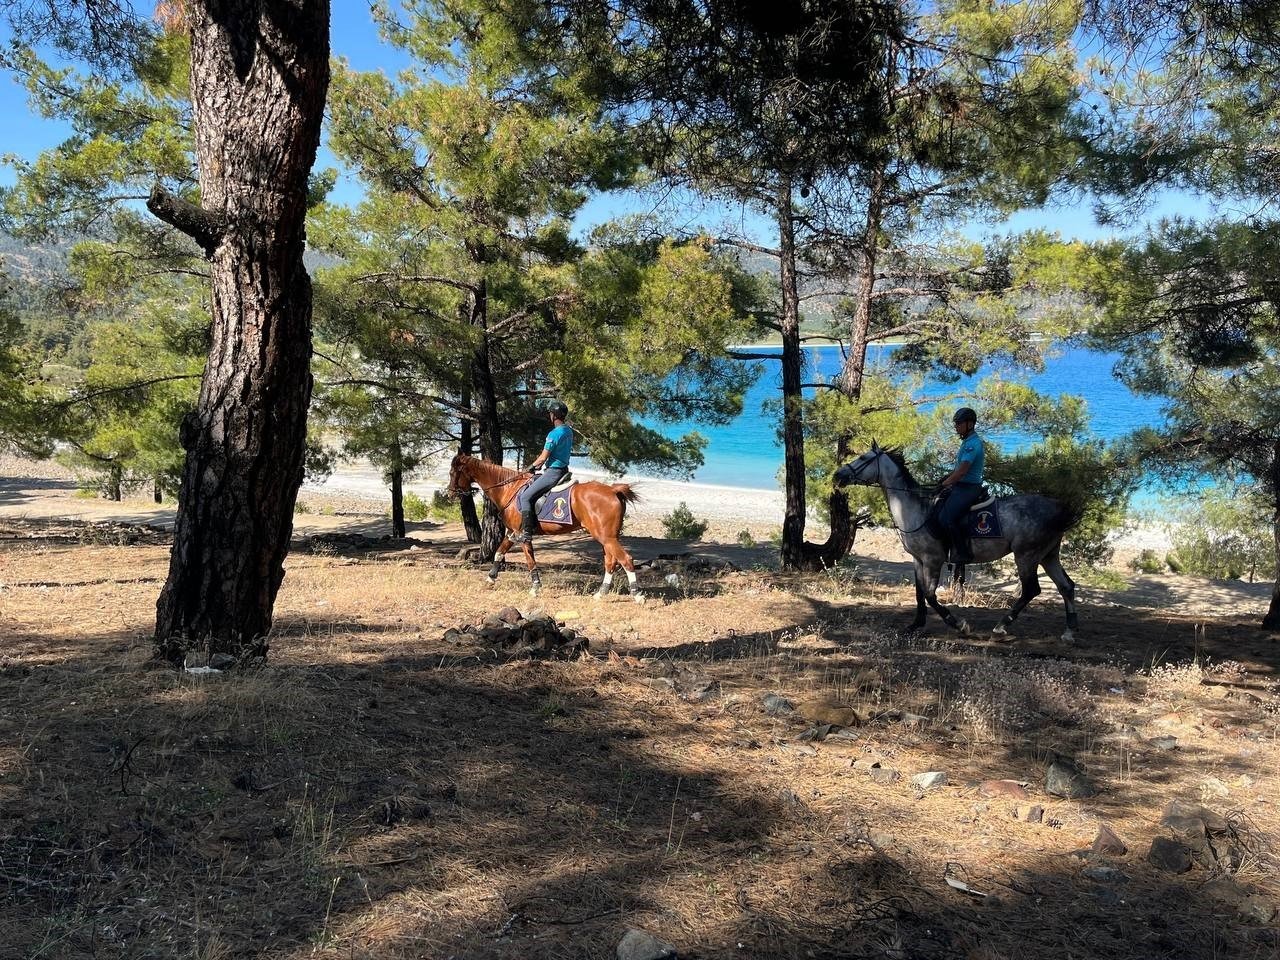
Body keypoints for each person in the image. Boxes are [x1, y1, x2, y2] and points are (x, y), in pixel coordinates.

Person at [510, 400, 572, 544]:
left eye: (550, 413)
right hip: (564, 470)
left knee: (525, 497)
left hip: (553, 472)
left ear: (553, 415)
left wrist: (530, 467)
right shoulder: (568, 431)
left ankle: (527, 533)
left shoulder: (554, 434)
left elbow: (543, 458)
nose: (550, 415)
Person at [937, 406, 985, 562]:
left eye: (959, 423)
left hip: (969, 488)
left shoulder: (973, 444)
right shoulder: (968, 441)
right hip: (962, 486)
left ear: (969, 424)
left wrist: (945, 483)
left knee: (947, 518)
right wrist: (945, 478)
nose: (956, 426)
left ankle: (962, 552)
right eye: (956, 423)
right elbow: (957, 470)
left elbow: (962, 471)